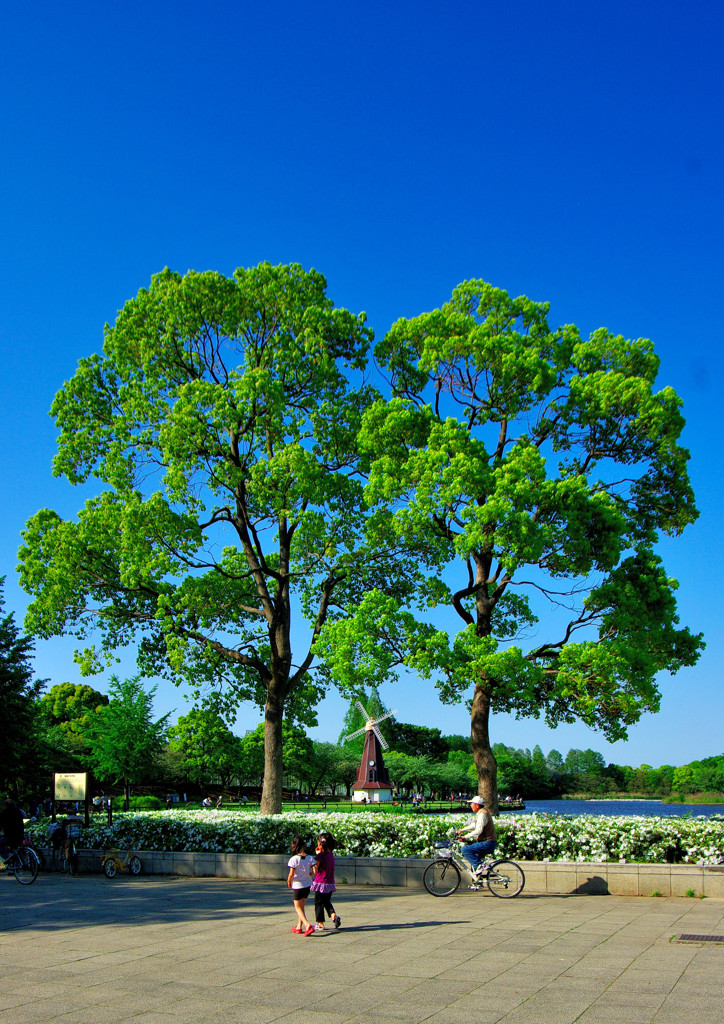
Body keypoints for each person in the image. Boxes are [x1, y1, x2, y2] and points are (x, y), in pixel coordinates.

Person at [456, 795, 496, 882]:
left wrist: (465, 836)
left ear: (477, 805)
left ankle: (480, 866)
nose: (471, 806)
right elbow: (475, 825)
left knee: (465, 850)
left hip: (488, 843)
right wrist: (462, 830)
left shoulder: (482, 814)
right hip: (488, 842)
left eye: (472, 804)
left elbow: (478, 830)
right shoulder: (482, 812)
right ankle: (477, 881)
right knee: (474, 859)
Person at [310, 831, 341, 931]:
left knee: (318, 902)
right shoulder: (330, 854)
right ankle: (333, 916)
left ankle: (320, 923)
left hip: (321, 882)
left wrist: (316, 856)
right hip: (330, 883)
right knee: (326, 901)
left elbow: (315, 869)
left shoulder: (320, 856)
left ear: (320, 844)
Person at [287, 835, 316, 936]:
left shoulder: (294, 859)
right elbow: (315, 871)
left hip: (298, 885)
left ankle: (307, 925)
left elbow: (291, 873)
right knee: (302, 906)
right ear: (304, 846)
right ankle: (299, 926)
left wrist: (289, 881)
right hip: (307, 884)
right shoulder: (310, 858)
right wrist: (309, 875)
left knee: (297, 907)